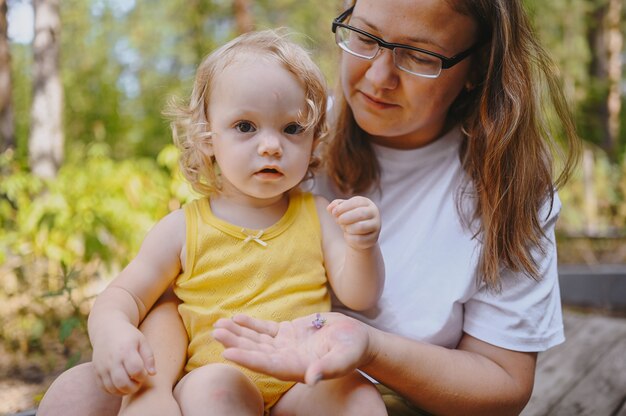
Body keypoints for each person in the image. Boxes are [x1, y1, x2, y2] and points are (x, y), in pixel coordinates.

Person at [38, 0, 580, 414]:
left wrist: (368, 347)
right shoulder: (280, 117)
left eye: (420, 55)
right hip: (210, 371)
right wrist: (152, 386)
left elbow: (502, 383)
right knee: (79, 392)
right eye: (365, 36)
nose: (378, 77)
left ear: (477, 70)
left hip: (334, 394)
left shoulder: (509, 194)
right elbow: (172, 292)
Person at [41, 29, 387, 416]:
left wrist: (362, 245)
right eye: (245, 126)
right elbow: (125, 296)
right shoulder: (182, 227)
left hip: (299, 379)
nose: (271, 145)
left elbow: (360, 296)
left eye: (292, 129)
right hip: (213, 381)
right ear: (207, 137)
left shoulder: (319, 214)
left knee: (359, 396)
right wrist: (111, 331)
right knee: (76, 392)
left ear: (313, 141)